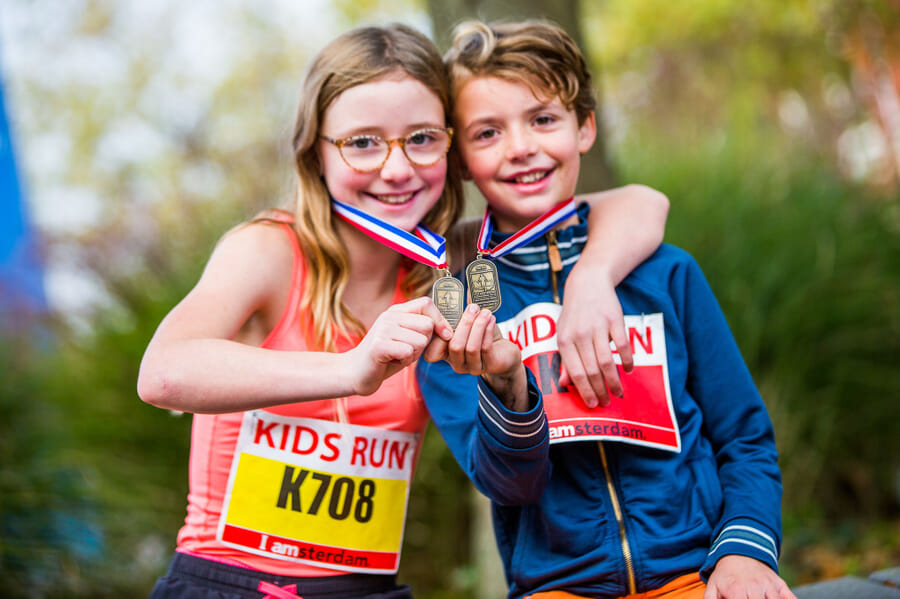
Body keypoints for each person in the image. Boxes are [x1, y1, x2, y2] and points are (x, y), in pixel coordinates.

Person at [137, 23, 668, 599]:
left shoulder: (448, 263)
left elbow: (640, 203)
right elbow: (163, 372)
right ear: (316, 151)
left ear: (451, 146)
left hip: (369, 587)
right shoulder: (269, 249)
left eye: (420, 139)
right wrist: (351, 367)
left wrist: (592, 278)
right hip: (231, 583)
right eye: (362, 142)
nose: (396, 170)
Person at [418, 20, 796, 599]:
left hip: (695, 572)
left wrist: (744, 552)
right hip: (557, 586)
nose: (521, 147)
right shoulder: (452, 310)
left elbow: (743, 436)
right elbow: (508, 486)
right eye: (488, 132)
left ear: (584, 127)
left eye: (543, 119)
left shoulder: (666, 273)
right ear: (462, 158)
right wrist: (507, 384)